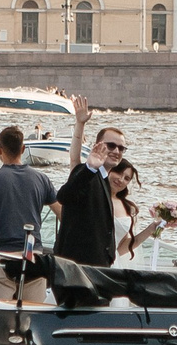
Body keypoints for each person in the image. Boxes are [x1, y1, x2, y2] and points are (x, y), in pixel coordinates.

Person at [0, 124, 59, 300]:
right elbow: (63, 215)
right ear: (23, 148)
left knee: (0, 316)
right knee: (32, 316)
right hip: (33, 257)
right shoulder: (42, 179)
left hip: (3, 256)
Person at [51, 95, 126, 268]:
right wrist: (80, 124)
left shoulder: (105, 179)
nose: (117, 151)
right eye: (111, 145)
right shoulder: (86, 173)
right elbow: (64, 196)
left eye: (121, 148)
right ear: (98, 145)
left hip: (98, 268)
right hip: (76, 268)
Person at [110, 160, 176, 260]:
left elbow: (120, 249)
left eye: (127, 178)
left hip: (111, 262)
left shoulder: (126, 207)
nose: (121, 179)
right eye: (118, 173)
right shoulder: (94, 198)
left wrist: (150, 230)